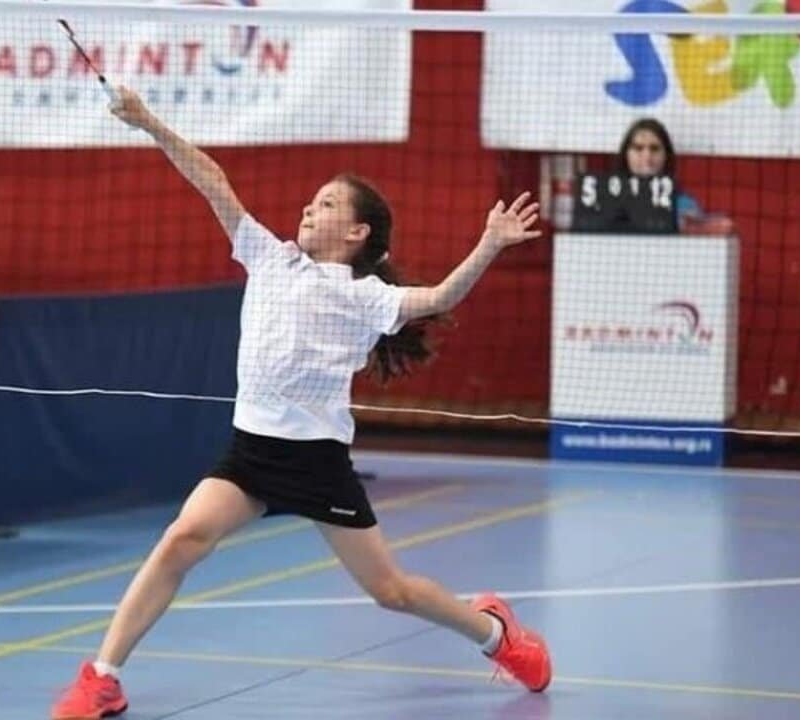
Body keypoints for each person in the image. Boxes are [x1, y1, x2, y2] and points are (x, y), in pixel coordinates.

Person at [50, 86, 552, 720]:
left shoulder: (365, 296)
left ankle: (494, 633)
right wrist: (148, 121)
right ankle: (104, 677)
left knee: (391, 591)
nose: (310, 209)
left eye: (328, 204)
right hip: (251, 453)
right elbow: (212, 180)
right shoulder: (269, 257)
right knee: (182, 538)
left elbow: (439, 299)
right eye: (312, 201)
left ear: (357, 232)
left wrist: (489, 244)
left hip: (317, 463)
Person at [619, 117, 734, 236]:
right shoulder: (609, 201)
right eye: (638, 148)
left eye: (655, 149)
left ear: (666, 156)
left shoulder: (683, 203)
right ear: (626, 155)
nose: (647, 156)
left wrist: (697, 226)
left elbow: (723, 226)